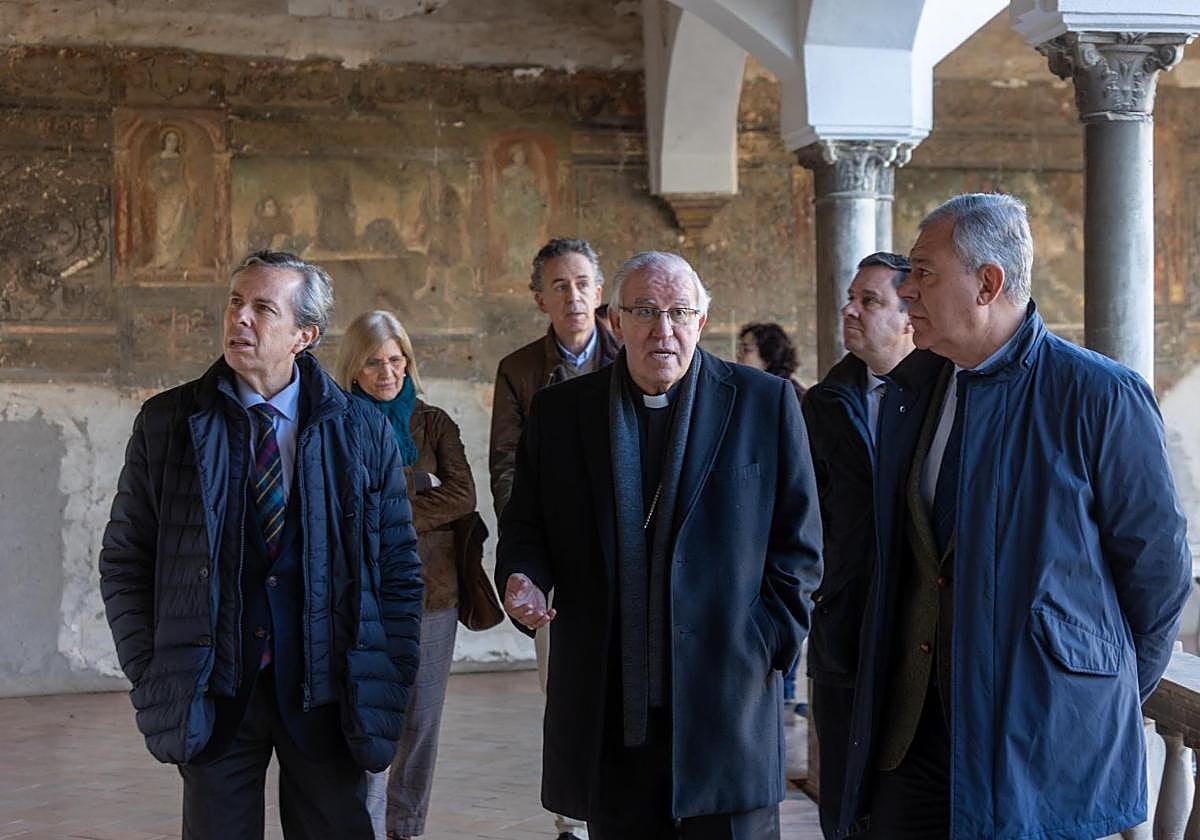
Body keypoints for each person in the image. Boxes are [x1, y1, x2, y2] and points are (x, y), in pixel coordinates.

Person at [842, 194, 1192, 839]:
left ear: (989, 283)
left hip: (1035, 744)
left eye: (923, 272)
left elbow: (1157, 571)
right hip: (912, 740)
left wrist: (1090, 694)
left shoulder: (1099, 395)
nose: (906, 290)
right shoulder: (916, 389)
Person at [496, 250, 823, 839]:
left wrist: (767, 639)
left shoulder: (762, 403)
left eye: (679, 312)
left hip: (727, 694)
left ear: (701, 321)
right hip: (611, 703)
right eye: (645, 311)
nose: (663, 329)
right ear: (614, 323)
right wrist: (523, 576)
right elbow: (527, 526)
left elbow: (799, 544)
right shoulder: (562, 413)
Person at [98, 251, 423, 839]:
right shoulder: (168, 422)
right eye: (235, 302)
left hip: (327, 691)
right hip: (215, 688)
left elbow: (399, 568)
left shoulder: (363, 429)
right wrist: (152, 670)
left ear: (305, 335)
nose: (240, 319)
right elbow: (126, 558)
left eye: (263, 308)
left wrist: (389, 672)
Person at [800, 251, 938, 837]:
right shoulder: (824, 403)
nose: (849, 309)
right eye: (851, 298)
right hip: (846, 629)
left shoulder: (947, 397)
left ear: (911, 315)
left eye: (869, 301)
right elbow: (801, 518)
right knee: (844, 802)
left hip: (922, 638)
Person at [488, 236, 620, 840]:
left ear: (600, 290)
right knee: (563, 684)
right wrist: (531, 555)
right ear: (539, 296)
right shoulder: (519, 370)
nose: (574, 296)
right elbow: (507, 465)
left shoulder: (631, 352)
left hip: (629, 545)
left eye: (583, 283)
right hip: (560, 554)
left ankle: (626, 802)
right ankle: (574, 817)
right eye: (560, 285)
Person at [337, 311, 477, 840]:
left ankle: (407, 828)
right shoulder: (336, 423)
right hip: (360, 594)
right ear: (354, 366)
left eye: (397, 360)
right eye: (374, 362)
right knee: (369, 718)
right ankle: (365, 827)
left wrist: (389, 503)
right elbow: (345, 502)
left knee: (420, 724)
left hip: (432, 593)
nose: (387, 373)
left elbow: (463, 496)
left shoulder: (434, 422)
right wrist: (417, 479)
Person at [736, 322, 806, 401]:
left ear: (768, 358)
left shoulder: (790, 395)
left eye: (746, 350)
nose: (738, 354)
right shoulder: (743, 389)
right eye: (739, 349)